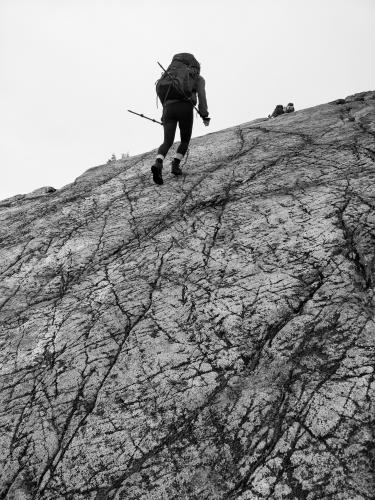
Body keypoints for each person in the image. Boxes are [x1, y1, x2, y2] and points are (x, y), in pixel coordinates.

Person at [151, 53, 210, 185]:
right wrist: (204, 115)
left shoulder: (170, 76)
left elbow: (164, 96)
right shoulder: (197, 78)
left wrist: (164, 115)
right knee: (184, 140)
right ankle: (175, 166)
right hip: (185, 107)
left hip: (168, 108)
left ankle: (158, 163)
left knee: (167, 141)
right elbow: (202, 96)